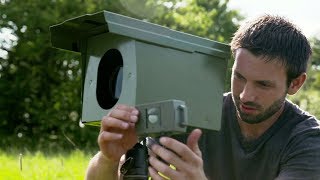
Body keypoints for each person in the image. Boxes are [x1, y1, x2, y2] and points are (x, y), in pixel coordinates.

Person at [85, 14, 320, 180]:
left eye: (263, 84)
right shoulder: (197, 113)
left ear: (296, 83)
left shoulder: (309, 141)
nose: (246, 95)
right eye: (239, 77)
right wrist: (109, 158)